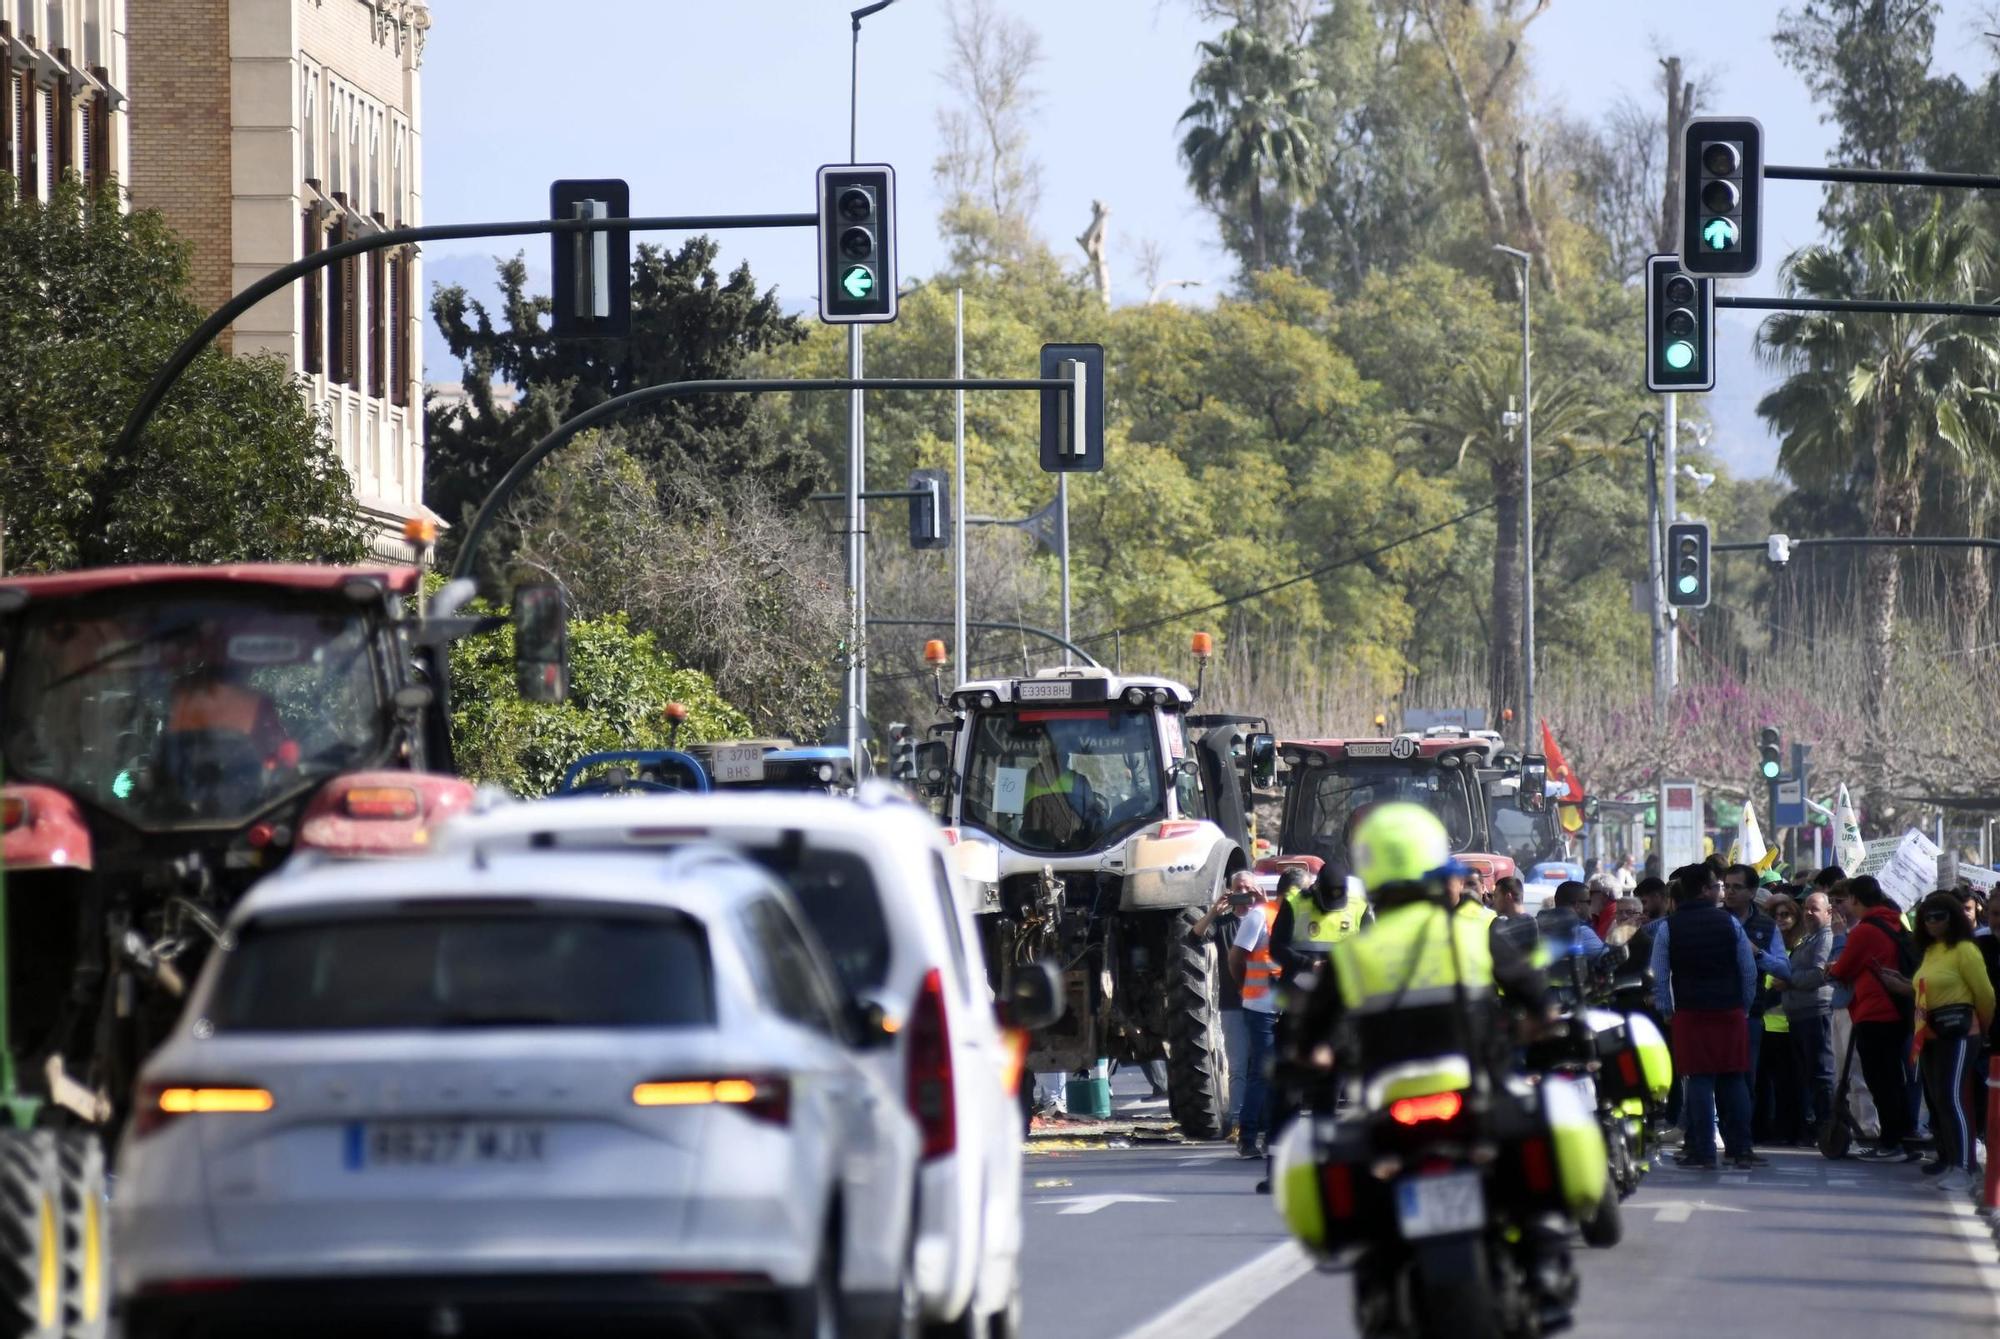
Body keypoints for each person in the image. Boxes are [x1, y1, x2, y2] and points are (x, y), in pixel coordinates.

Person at [1650, 863, 1759, 1169]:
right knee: (1733, 1078)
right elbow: (1748, 971)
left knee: (1698, 1080)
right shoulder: (1730, 923)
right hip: (1729, 1011)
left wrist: (1666, 1011)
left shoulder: (1668, 927)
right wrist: (1744, 1007)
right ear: (1703, 890)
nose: (1720, 891)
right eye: (1716, 886)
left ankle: (1703, 1149)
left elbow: (1658, 975)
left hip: (1690, 1012)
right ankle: (1741, 1148)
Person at [1828, 875, 1918, 1160]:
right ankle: (1901, 1137)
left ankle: (1891, 1143)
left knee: (1881, 1080)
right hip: (1895, 1010)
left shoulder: (1866, 930)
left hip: (1876, 1012)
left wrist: (1832, 967)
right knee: (1893, 1078)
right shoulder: (1893, 921)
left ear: (1855, 899)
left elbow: (1842, 970)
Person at [1911, 891, 1995, 1193]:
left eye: (1940, 916)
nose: (1933, 922)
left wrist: (1979, 1029)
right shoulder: (1932, 951)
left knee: (1953, 1097)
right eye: (1927, 916)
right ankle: (1952, 1161)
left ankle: (1964, 1166)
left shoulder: (1965, 950)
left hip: (1960, 1033)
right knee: (1939, 1099)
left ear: (1953, 917)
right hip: (1931, 1033)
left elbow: (1985, 995)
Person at [1770, 891, 1837, 1142]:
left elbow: (1819, 974)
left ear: (1828, 912)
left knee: (1821, 1073)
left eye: (1815, 909)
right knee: (1810, 1075)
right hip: (1799, 1016)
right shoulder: (1809, 938)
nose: (1808, 913)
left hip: (1815, 1013)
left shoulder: (1825, 938)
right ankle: (1818, 1127)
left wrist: (1788, 981)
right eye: (1806, 908)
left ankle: (1828, 1129)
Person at [1188, 877, 1252, 1138]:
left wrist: (1263, 902)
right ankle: (1238, 1120)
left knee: (1262, 1065)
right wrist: (1215, 910)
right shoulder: (1224, 924)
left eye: (1249, 889)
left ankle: (1262, 1118)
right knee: (1238, 1067)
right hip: (1233, 1005)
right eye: (1239, 890)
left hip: (1263, 1004)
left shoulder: (1263, 919)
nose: (1244, 894)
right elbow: (1194, 935)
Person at [1229, 871, 1282, 1160]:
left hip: (1284, 1007)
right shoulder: (1259, 916)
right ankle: (1248, 1136)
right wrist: (1243, 986)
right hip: (1260, 1006)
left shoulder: (1291, 917)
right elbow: (1236, 957)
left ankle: (1272, 1136)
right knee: (1261, 1073)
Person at [1753, 894, 1805, 1143]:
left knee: (1788, 1084)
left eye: (1786, 915)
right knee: (1761, 1082)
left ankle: (1789, 1130)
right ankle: (1762, 1130)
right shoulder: (1765, 943)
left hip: (1788, 1024)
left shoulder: (1800, 946)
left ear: (1796, 917)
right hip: (1764, 1023)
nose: (1781, 920)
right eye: (1775, 915)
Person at [1539, 881, 1607, 961]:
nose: (1590, 906)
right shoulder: (1580, 930)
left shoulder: (1540, 926)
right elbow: (1608, 959)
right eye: (1589, 902)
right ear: (1577, 906)